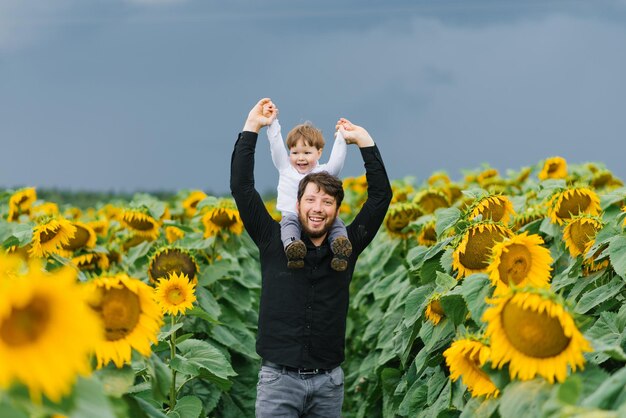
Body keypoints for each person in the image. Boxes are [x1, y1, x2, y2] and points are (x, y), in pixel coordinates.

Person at [230, 98, 392, 417]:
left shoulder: (346, 245)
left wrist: (365, 143)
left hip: (329, 384)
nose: (318, 208)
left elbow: (380, 197)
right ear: (298, 202)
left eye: (327, 202)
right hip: (279, 381)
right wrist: (251, 127)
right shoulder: (272, 239)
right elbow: (242, 188)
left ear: (336, 209)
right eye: (311, 199)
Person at [261, 101, 352, 271]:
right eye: (294, 153)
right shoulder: (286, 168)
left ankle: (340, 251)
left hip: (319, 218)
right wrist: (272, 123)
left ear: (319, 152)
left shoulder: (323, 173)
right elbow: (276, 146)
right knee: (288, 228)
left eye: (307, 153)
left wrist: (341, 136)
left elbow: (337, 163)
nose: (300, 158)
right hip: (292, 215)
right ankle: (293, 249)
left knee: (337, 225)